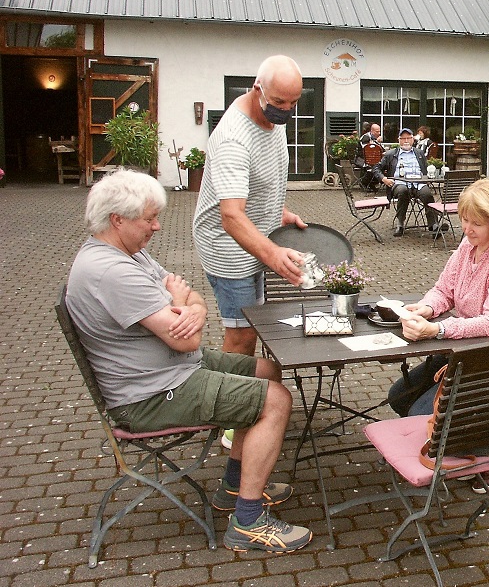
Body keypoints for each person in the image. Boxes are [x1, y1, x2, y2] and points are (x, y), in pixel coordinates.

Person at [66, 169, 312, 554]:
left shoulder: (129, 253)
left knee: (267, 369)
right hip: (150, 393)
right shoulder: (111, 272)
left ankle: (234, 486)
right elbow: (187, 338)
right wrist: (183, 307)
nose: (158, 226)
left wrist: (186, 307)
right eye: (149, 218)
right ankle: (248, 524)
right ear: (117, 219)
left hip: (171, 370)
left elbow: (190, 296)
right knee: (274, 399)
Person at [386, 178, 489, 417]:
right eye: (464, 219)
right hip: (471, 349)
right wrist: (427, 308)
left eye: (476, 223)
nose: (467, 229)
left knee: (420, 413)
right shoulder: (467, 246)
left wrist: (437, 330)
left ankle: (474, 442)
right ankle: (437, 443)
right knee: (399, 396)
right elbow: (444, 290)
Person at [193, 55, 307, 357]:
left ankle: (249, 392)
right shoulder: (234, 138)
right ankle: (229, 398)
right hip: (229, 247)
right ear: (258, 88)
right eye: (280, 102)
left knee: (258, 323)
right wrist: (273, 254)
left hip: (256, 236)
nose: (286, 110)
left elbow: (262, 178)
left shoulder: (271, 116)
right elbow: (230, 216)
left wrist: (276, 211)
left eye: (294, 103)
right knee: (243, 334)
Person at [372, 128, 442, 236]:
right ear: (398, 140)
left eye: (408, 138)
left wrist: (427, 177)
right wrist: (384, 179)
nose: (406, 141)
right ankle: (400, 224)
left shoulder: (419, 153)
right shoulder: (391, 154)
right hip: (399, 183)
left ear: (413, 139)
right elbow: (376, 168)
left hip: (418, 184)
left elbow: (425, 170)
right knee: (402, 191)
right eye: (403, 138)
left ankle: (434, 225)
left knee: (427, 194)